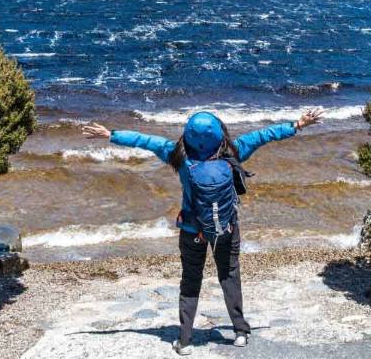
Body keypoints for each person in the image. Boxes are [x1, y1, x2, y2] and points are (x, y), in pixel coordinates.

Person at [82, 108, 323, 355]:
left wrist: (109, 134)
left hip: (191, 230)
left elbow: (143, 140)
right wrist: (298, 124)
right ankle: (240, 332)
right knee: (229, 274)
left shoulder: (177, 155)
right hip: (226, 228)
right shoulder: (234, 150)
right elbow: (264, 135)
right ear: (219, 133)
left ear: (187, 135)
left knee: (190, 280)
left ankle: (185, 340)